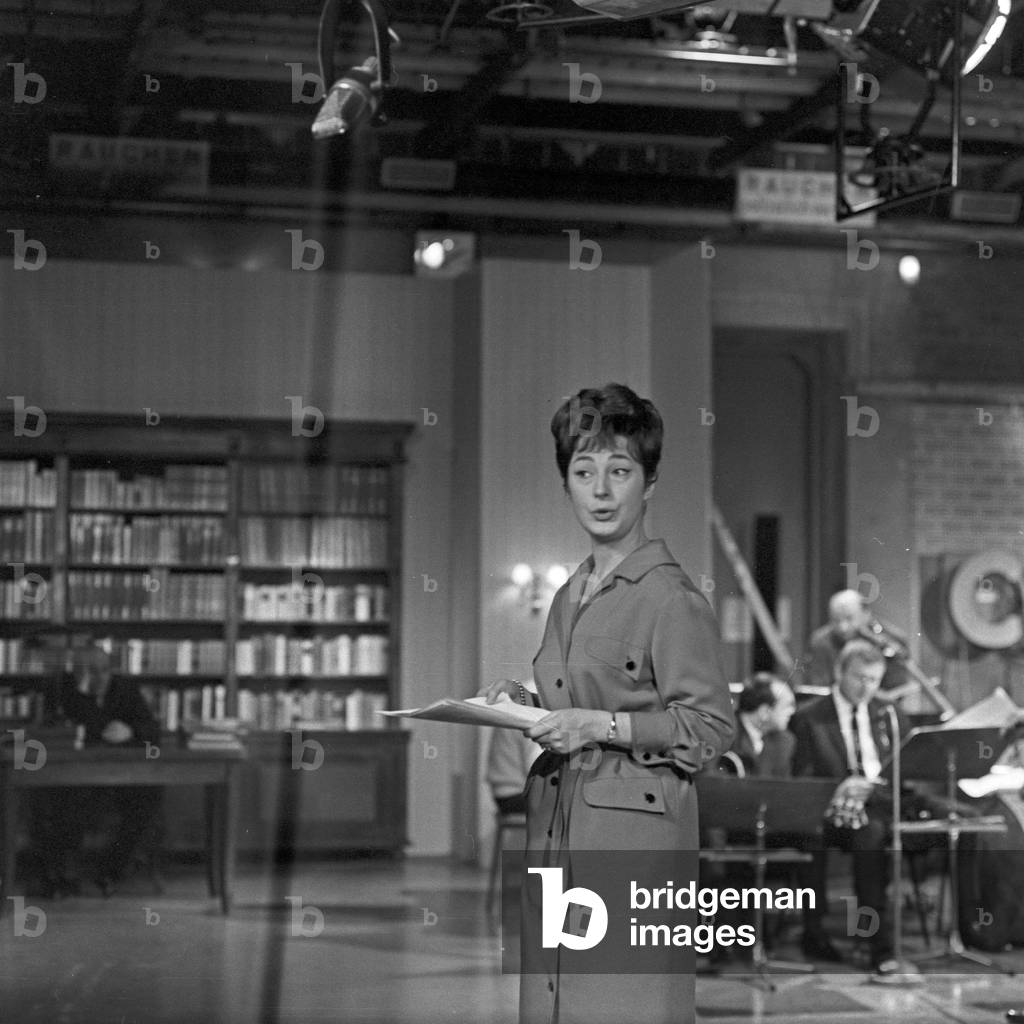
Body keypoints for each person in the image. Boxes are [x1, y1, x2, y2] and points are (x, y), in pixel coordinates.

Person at [479, 383, 736, 1024]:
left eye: (619, 471)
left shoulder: (672, 598)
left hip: (632, 839)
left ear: (648, 483)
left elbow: (709, 729)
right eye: (583, 470)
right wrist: (523, 704)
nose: (600, 489)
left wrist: (600, 725)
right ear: (565, 482)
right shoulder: (569, 596)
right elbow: (577, 701)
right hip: (555, 828)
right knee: (554, 1003)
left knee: (622, 1003)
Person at [788, 639, 901, 975]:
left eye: (874, 680)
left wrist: (870, 789)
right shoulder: (809, 717)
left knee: (873, 836)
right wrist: (841, 788)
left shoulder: (889, 713)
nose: (866, 687)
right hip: (826, 808)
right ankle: (815, 932)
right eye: (859, 678)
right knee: (812, 840)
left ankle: (876, 941)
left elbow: (902, 770)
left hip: (873, 807)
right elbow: (802, 777)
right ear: (840, 673)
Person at [30, 645, 163, 897]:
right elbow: (53, 731)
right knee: (61, 801)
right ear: (76, 672)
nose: (101, 677)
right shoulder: (61, 690)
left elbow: (152, 730)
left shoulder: (124, 688)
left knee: (149, 797)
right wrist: (85, 695)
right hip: (72, 776)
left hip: (122, 778)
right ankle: (60, 875)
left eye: (105, 670)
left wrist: (132, 731)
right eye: (91, 671)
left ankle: (111, 870)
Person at [806, 589, 908, 693]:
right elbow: (819, 687)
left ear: (866, 614)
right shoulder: (821, 642)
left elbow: (897, 688)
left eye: (849, 618)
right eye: (836, 620)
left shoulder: (891, 640)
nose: (843, 627)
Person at [731, 673, 795, 778]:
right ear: (764, 712)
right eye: (787, 706)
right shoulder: (725, 734)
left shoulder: (785, 742)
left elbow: (784, 789)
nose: (792, 711)